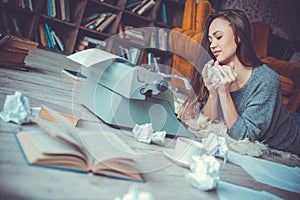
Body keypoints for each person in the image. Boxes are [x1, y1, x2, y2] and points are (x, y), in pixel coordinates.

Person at [180, 9, 300, 156]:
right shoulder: (219, 71)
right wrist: (213, 92)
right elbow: (205, 124)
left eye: (218, 37)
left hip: (286, 149)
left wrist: (224, 93)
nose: (212, 45)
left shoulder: (266, 80)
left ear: (238, 37)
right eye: (210, 40)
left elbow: (244, 137)